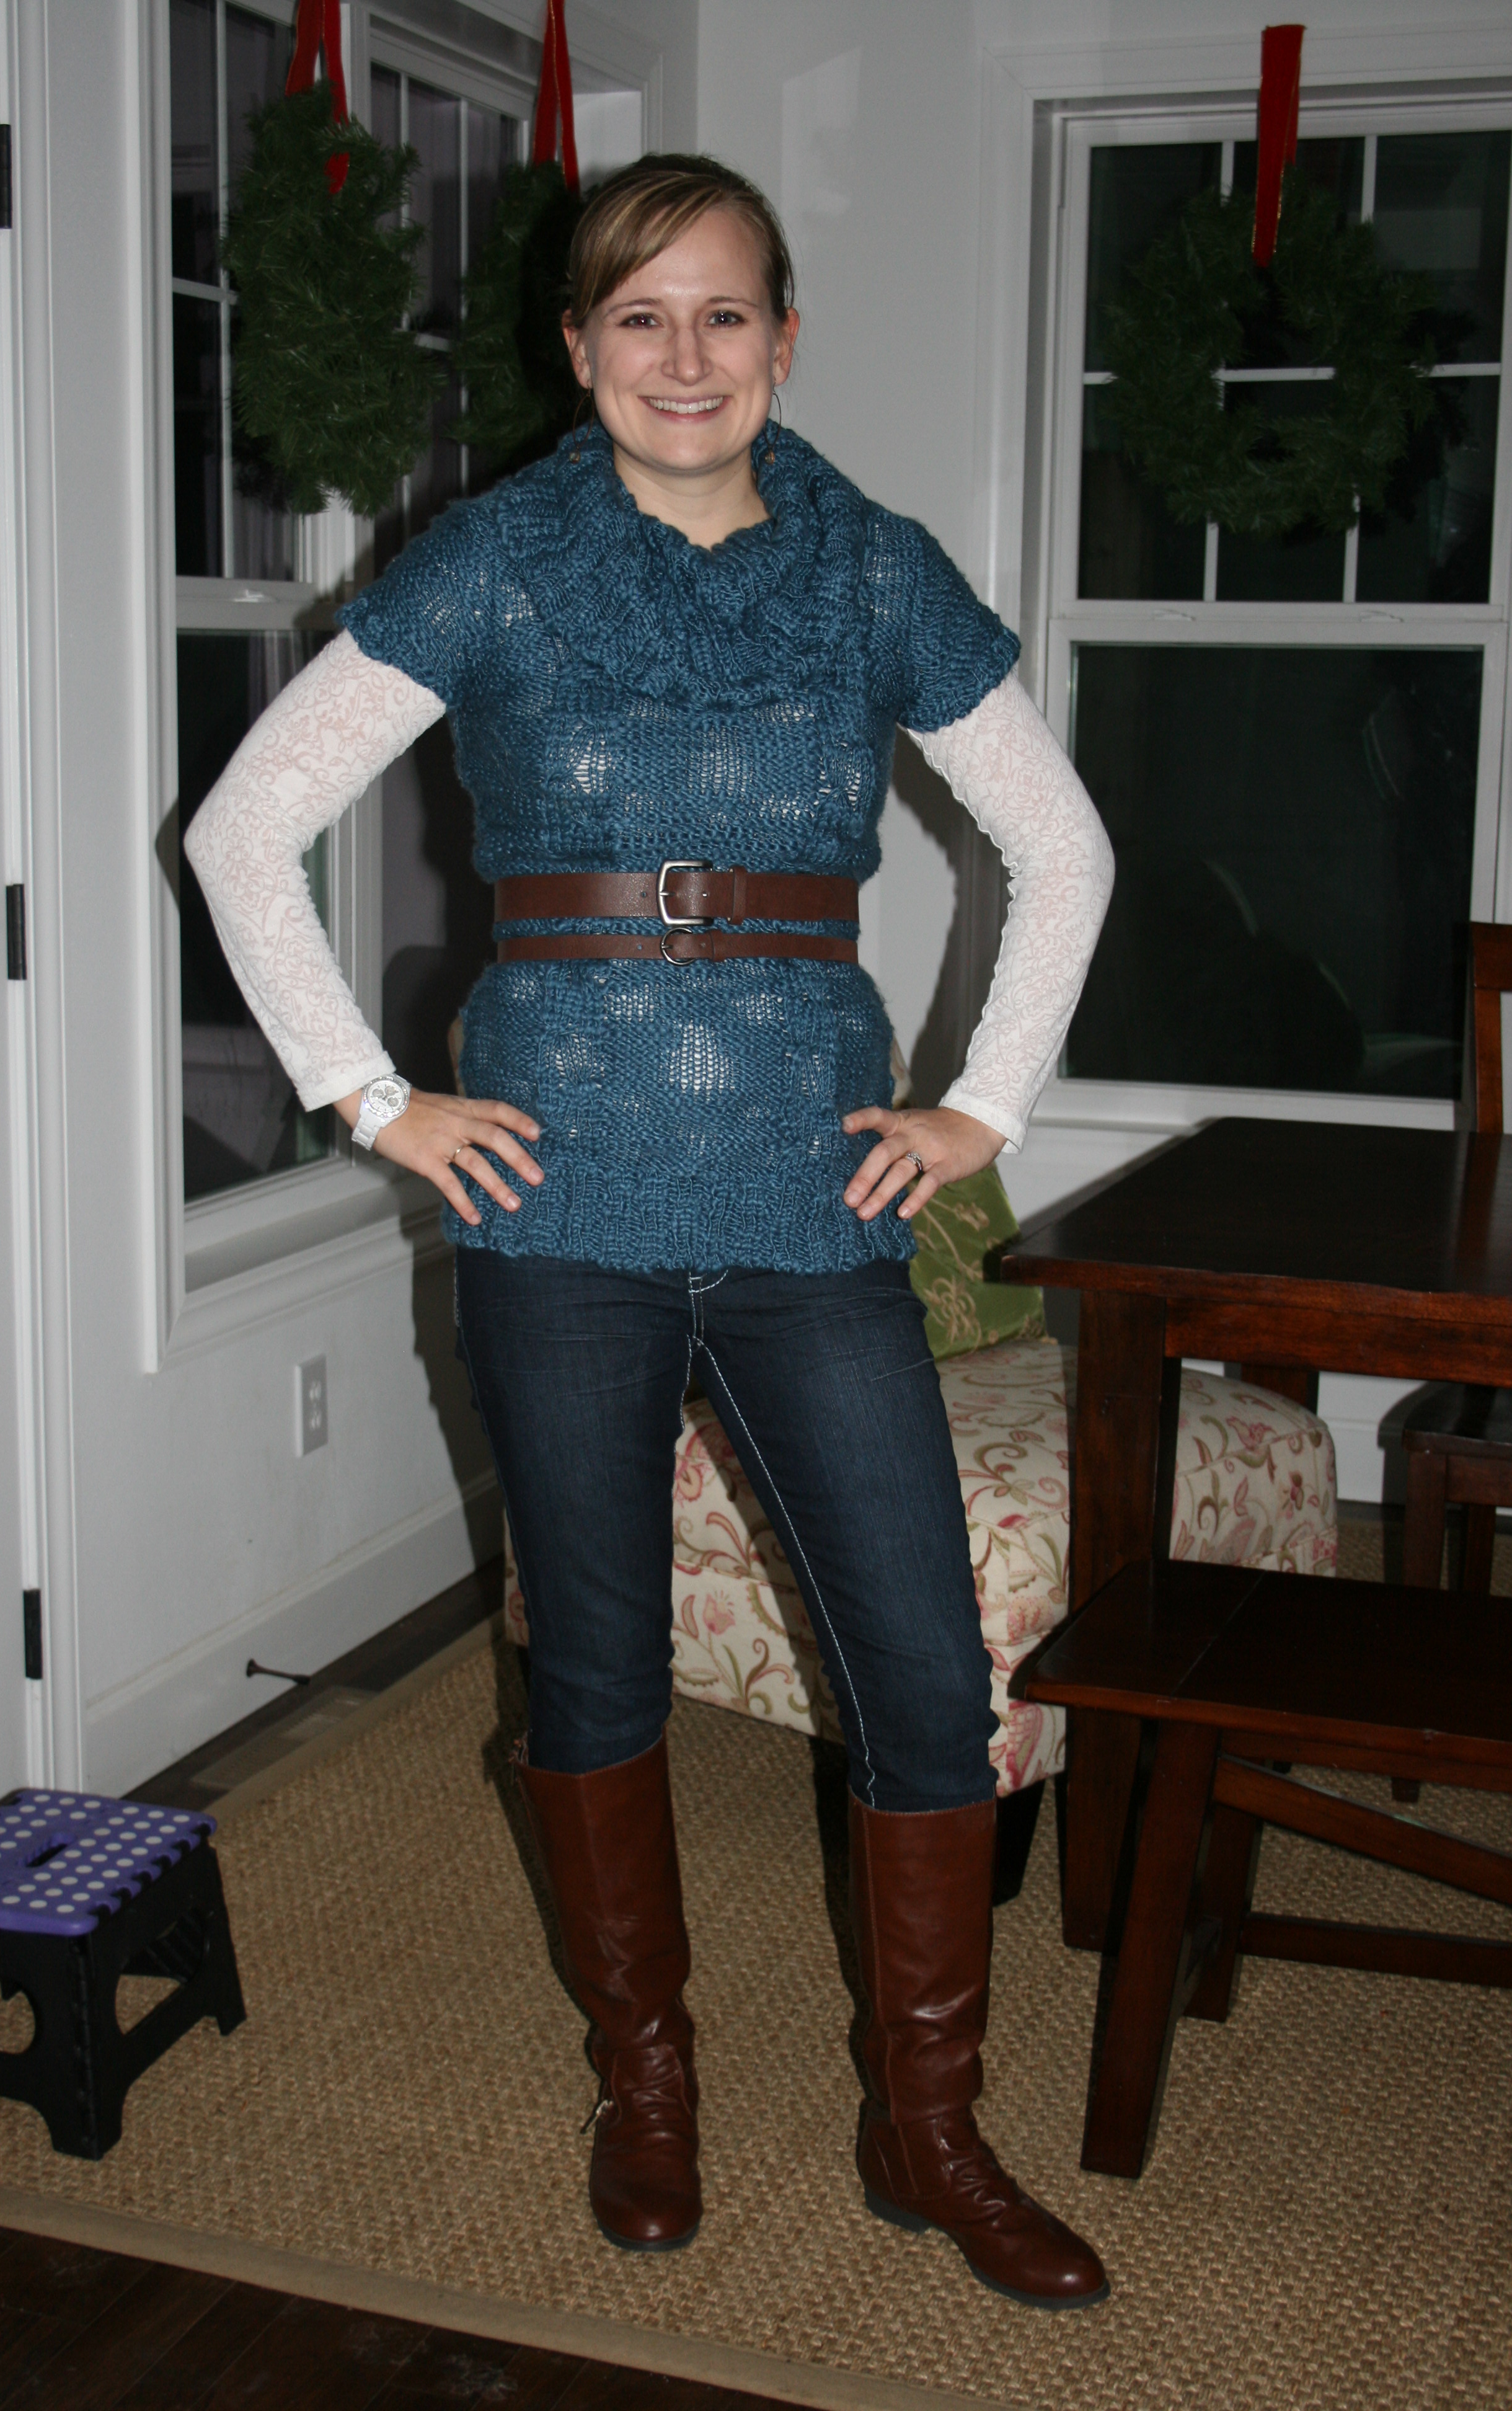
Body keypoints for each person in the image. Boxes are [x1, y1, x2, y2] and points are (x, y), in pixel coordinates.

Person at [187, 154, 1115, 2311]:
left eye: (723, 313)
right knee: (594, 1666)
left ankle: (930, 2126)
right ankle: (650, 2082)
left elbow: (1061, 849)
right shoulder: (493, 563)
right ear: (580, 347)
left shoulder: (876, 567)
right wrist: (372, 1098)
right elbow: (247, 831)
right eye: (637, 316)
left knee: (925, 1671)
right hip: (558, 1203)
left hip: (812, 1198)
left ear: (783, 338)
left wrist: (983, 1106)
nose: (682, 357)